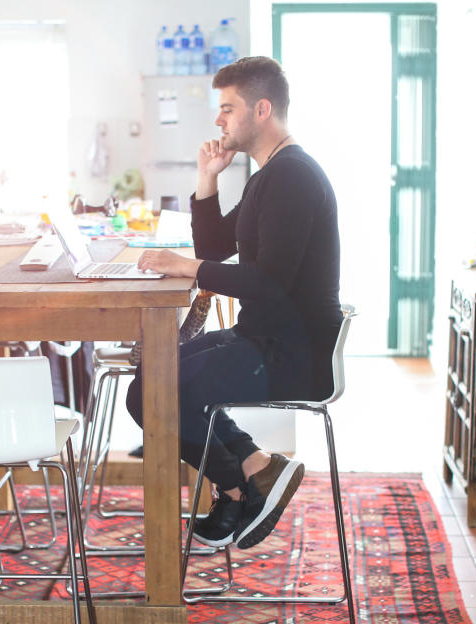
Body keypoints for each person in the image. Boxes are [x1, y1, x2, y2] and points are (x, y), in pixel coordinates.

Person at [127, 56, 341, 550]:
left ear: (261, 109)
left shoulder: (292, 177)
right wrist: (208, 178)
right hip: (263, 340)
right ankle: (255, 469)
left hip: (289, 354)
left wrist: (186, 269)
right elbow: (214, 248)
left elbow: (266, 282)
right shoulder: (271, 174)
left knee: (153, 392)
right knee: (151, 383)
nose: (219, 120)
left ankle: (237, 488)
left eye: (227, 108)